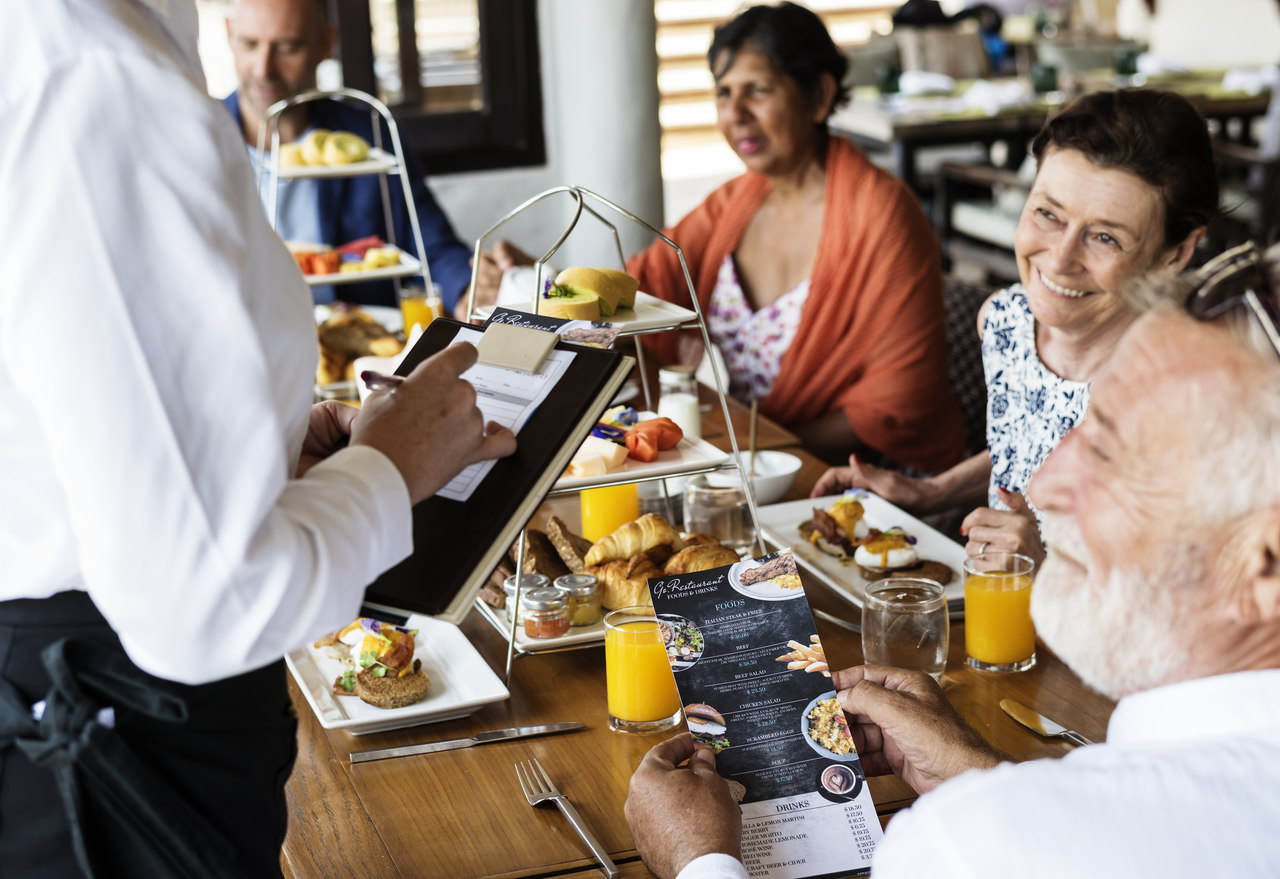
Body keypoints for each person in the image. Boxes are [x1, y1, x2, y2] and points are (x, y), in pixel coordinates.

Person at [0, 1, 514, 876]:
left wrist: (270, 455)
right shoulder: (97, 79)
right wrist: (388, 467)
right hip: (115, 752)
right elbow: (203, 605)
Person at [625, 241, 1280, 877]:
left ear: (1267, 565)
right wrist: (981, 773)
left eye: (1109, 454)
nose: (1044, 486)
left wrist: (699, 860)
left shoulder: (975, 843)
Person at [477, 2, 965, 472]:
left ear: (818, 95)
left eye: (758, 90)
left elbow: (897, 403)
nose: (736, 113)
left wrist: (754, 451)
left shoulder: (884, 219)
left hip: (854, 484)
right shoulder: (733, 204)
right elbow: (634, 296)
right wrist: (548, 287)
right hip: (733, 462)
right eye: (723, 93)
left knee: (741, 559)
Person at [813, 87, 1217, 565]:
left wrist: (1044, 571)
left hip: (1071, 634)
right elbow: (1031, 442)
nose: (1061, 260)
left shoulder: (1189, 396)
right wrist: (932, 492)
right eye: (1048, 213)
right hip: (989, 611)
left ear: (1177, 253)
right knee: (752, 610)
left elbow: (1182, 600)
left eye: (1105, 237)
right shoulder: (1006, 323)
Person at [224, 0, 474, 310]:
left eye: (287, 48)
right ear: (228, 34)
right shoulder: (201, 141)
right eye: (249, 44)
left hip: (361, 341)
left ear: (327, 43)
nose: (264, 68)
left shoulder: (369, 134)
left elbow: (433, 245)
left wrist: (466, 290)